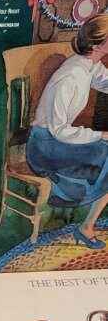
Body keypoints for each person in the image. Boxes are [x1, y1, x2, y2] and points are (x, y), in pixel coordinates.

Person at [26, 13, 108, 249]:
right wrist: (100, 135)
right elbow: (59, 130)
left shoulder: (89, 65)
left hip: (60, 140)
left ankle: (86, 226)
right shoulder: (70, 76)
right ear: (96, 45)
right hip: (45, 146)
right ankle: (86, 225)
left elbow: (104, 81)